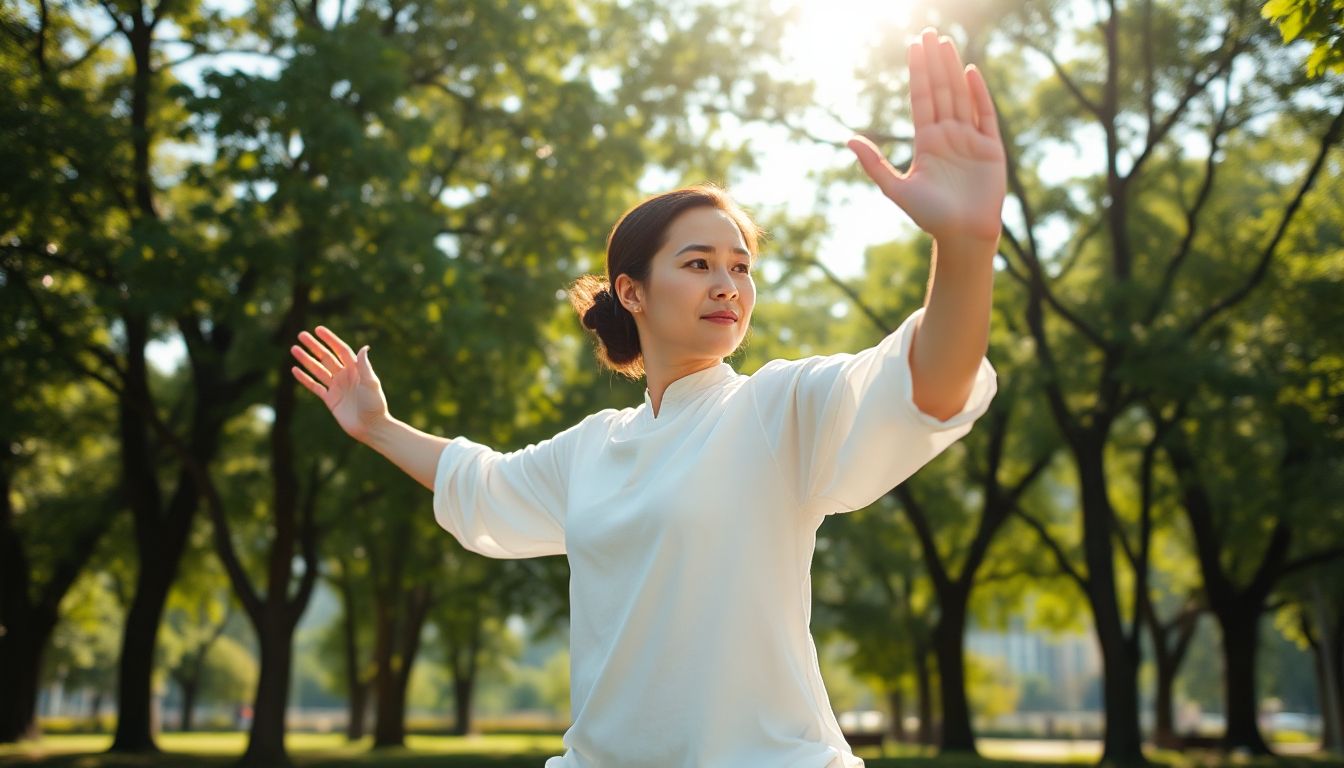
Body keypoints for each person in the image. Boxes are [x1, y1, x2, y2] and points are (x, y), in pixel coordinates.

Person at [290, 27, 1004, 768]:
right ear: (631, 289)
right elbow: (482, 482)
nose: (728, 284)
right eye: (698, 263)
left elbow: (929, 382)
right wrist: (376, 426)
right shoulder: (595, 448)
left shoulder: (774, 409)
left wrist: (966, 244)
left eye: (741, 266)